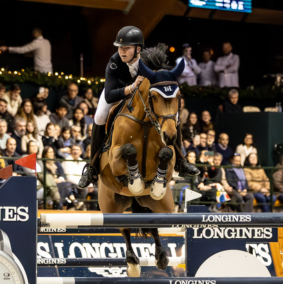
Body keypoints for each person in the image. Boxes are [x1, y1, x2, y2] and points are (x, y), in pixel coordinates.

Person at [78, 26, 200, 188]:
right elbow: (110, 95)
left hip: (143, 98)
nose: (122, 51)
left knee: (174, 117)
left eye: (126, 48)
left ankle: (180, 161)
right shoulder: (114, 63)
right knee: (100, 116)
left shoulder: (149, 63)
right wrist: (131, 88)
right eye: (120, 48)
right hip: (117, 94)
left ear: (138, 49)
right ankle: (92, 167)